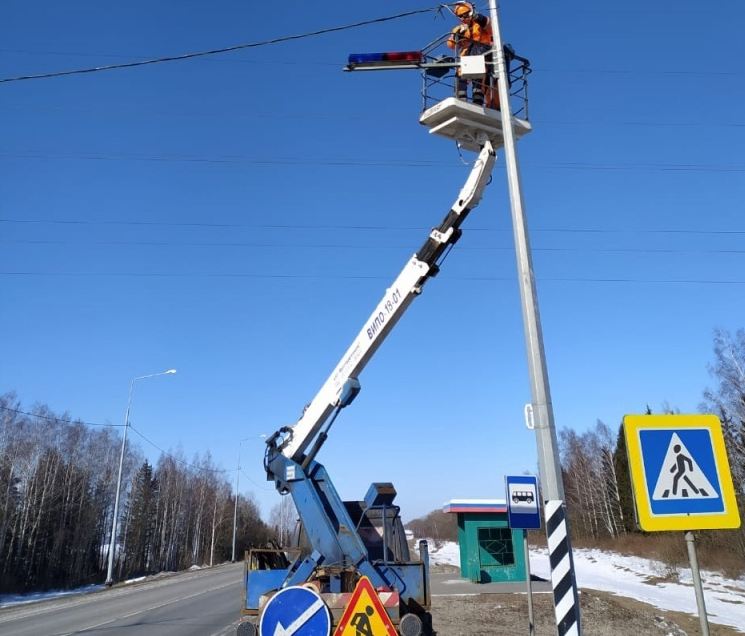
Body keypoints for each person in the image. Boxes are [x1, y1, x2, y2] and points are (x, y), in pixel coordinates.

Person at [446, 2, 496, 108]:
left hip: (483, 52)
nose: (464, 17)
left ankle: (478, 101)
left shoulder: (481, 23)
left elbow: (489, 26)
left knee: (478, 77)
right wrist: (458, 35)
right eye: (461, 16)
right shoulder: (459, 28)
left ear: (471, 12)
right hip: (466, 56)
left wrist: (477, 17)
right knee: (460, 76)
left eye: (466, 14)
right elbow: (450, 44)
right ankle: (461, 98)